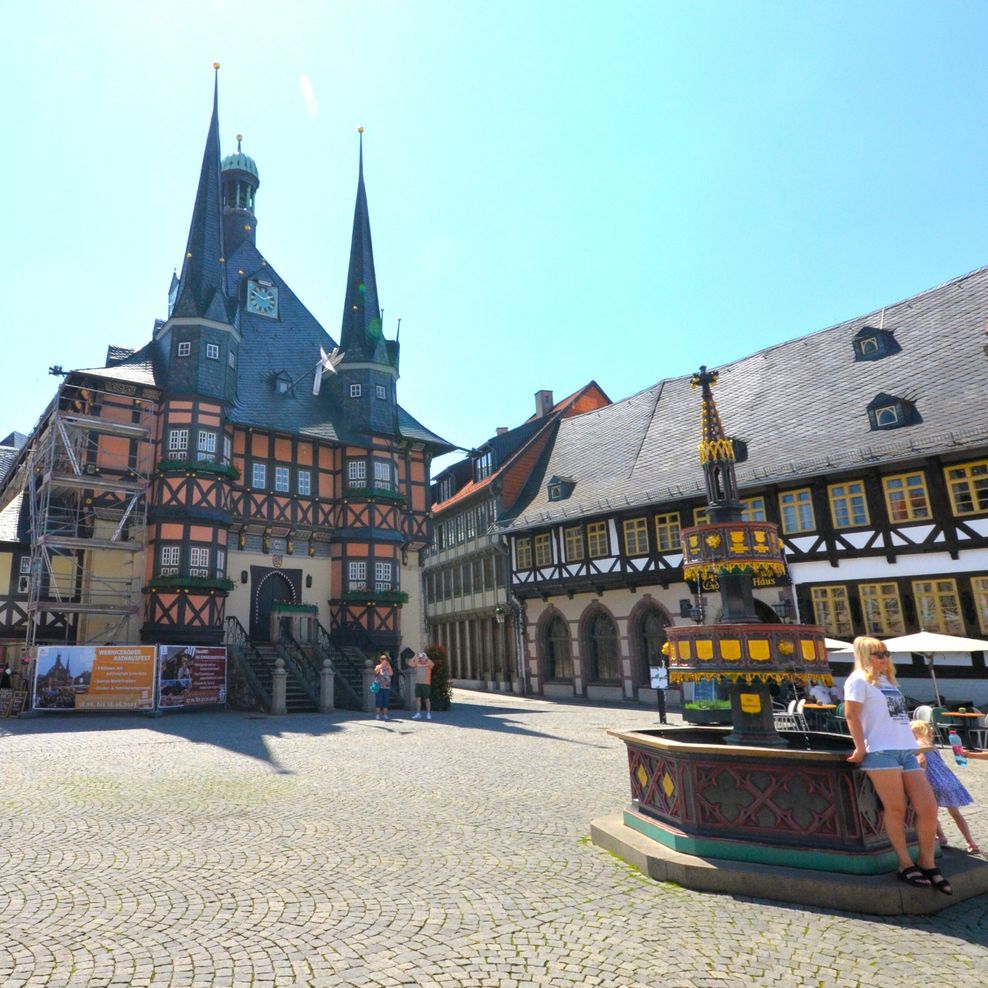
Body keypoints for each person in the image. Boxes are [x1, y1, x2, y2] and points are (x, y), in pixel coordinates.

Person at [844, 636, 949, 893]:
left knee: (928, 806)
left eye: (886, 653)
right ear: (865, 656)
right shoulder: (858, 680)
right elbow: (851, 714)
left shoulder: (887, 681)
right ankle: (905, 863)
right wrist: (860, 746)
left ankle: (927, 861)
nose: (884, 658)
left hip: (904, 751)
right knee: (896, 809)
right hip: (881, 752)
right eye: (878, 654)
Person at [911, 720, 979, 854]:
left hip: (931, 781)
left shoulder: (918, 746)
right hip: (946, 779)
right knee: (956, 814)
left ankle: (941, 837)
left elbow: (922, 761)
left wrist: (920, 775)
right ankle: (970, 841)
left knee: (931, 812)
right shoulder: (932, 745)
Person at [409, 650, 434, 720]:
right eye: (420, 658)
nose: (421, 659)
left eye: (422, 657)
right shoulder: (417, 663)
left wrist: (427, 658)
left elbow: (432, 665)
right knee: (418, 699)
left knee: (427, 699)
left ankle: (428, 713)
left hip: (426, 684)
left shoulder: (428, 663)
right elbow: (410, 663)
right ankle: (418, 713)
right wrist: (415, 656)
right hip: (418, 683)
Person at [372, 653, 393, 721]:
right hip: (379, 686)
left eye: (385, 659)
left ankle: (385, 715)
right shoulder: (378, 666)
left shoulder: (388, 667)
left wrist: (388, 666)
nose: (384, 660)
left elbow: (391, 674)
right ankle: (378, 715)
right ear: (380, 660)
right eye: (383, 659)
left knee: (385, 701)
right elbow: (375, 673)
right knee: (378, 701)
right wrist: (381, 666)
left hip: (386, 687)